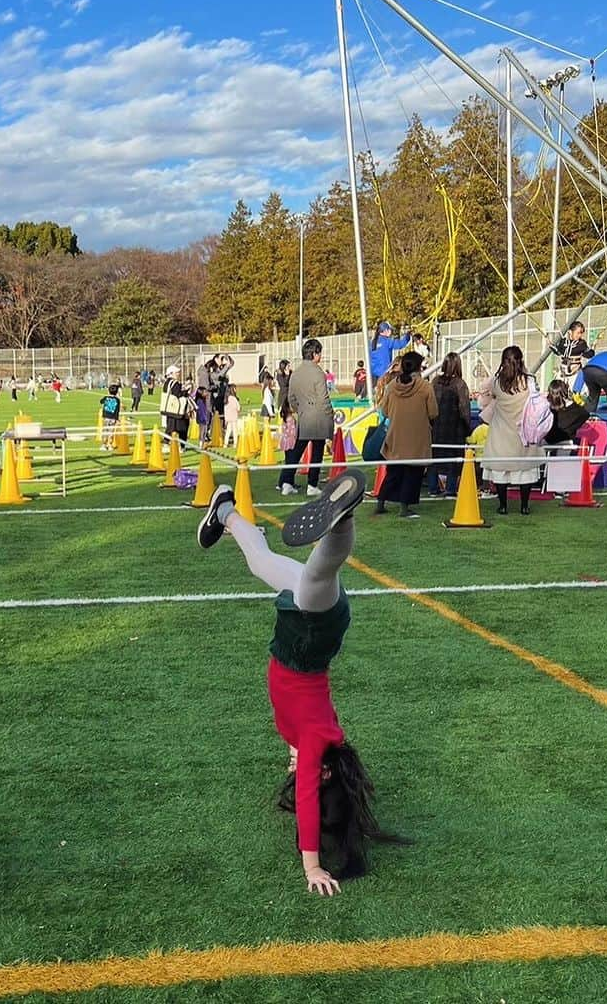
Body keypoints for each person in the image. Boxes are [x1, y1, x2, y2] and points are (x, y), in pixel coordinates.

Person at [196, 473, 403, 894]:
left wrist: (294, 752)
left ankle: (225, 511)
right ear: (325, 773)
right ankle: (340, 520)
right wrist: (311, 866)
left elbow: (312, 733)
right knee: (318, 575)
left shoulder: (325, 737)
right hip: (307, 641)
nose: (302, 778)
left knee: (263, 562)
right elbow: (307, 800)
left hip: (315, 641)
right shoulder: (316, 743)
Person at [479, 346, 544, 515]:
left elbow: (484, 398)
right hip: (524, 431)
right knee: (525, 470)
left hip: (501, 431)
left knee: (501, 469)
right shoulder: (528, 381)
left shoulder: (495, 381)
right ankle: (524, 506)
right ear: (521, 360)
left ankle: (503, 506)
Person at [375, 352, 437, 519]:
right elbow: (433, 412)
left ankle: (380, 502)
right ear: (418, 367)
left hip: (395, 435)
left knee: (393, 472)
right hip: (418, 437)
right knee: (413, 473)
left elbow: (385, 411)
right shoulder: (425, 387)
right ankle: (404, 507)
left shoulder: (391, 387)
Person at [277, 339, 333, 497]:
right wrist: (330, 414)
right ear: (315, 354)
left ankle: (287, 482)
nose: (320, 356)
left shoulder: (296, 373)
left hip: (303, 416)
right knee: (317, 452)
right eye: (319, 353)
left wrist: (300, 409)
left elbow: (291, 397)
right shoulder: (318, 373)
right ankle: (312, 484)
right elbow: (323, 398)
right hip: (318, 417)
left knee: (296, 451)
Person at [428, 352, 471, 498]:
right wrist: (467, 427)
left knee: (434, 457)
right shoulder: (460, 384)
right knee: (454, 457)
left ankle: (433, 488)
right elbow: (465, 408)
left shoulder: (434, 382)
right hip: (454, 427)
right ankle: (451, 489)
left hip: (436, 425)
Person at [544, 380, 590, 447]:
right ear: (566, 392)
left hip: (546, 443)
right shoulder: (579, 411)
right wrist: (572, 402)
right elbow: (586, 414)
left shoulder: (546, 410)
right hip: (567, 444)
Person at [159, 363, 192, 443]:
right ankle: (182, 445)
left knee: (170, 427)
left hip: (169, 409)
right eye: (176, 373)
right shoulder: (175, 383)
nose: (178, 374)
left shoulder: (167, 383)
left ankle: (166, 442)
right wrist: (186, 391)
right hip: (176, 409)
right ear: (171, 373)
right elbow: (178, 394)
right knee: (182, 428)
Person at [99, 384, 121, 450]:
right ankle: (110, 445)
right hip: (113, 418)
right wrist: (117, 418)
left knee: (105, 431)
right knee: (111, 432)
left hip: (106, 417)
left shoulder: (106, 398)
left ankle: (104, 445)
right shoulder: (117, 400)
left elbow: (101, 401)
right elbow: (117, 410)